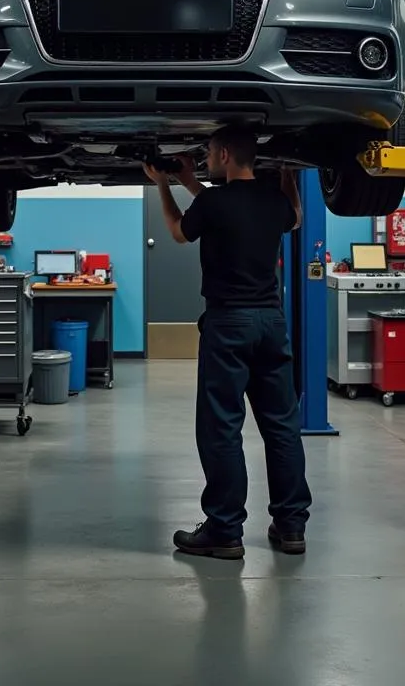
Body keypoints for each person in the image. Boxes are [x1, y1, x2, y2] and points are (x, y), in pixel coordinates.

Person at [145, 125, 312, 560]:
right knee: (282, 426)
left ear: (221, 154)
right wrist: (289, 177)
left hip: (228, 325)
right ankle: (291, 526)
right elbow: (294, 217)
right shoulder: (272, 201)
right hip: (271, 323)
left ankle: (225, 530)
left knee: (222, 428)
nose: (205, 158)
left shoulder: (213, 202)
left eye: (207, 152)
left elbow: (180, 230)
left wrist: (163, 184)